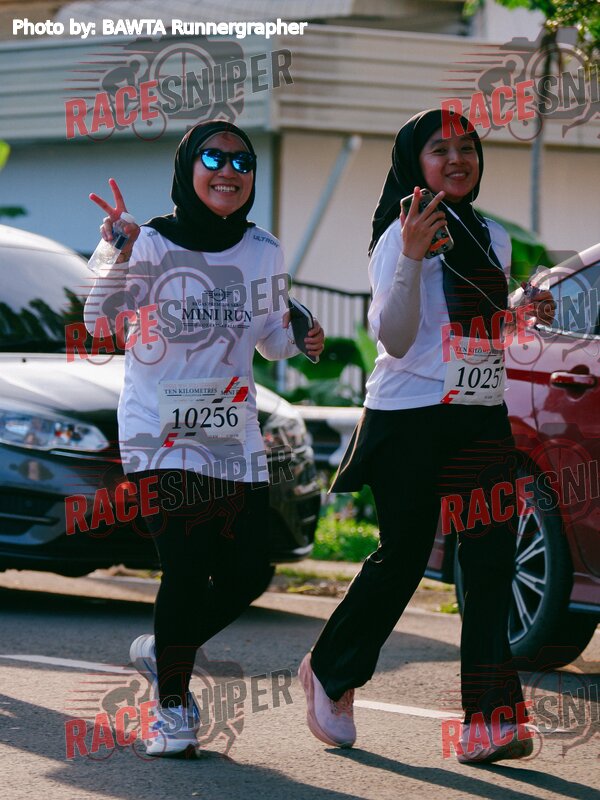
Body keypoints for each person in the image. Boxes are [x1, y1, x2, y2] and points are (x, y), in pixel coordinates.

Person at [298, 108, 555, 764]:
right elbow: (395, 336)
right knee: (406, 555)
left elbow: (476, 330)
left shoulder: (491, 235)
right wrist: (412, 256)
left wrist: (519, 313)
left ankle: (490, 719)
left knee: (491, 559)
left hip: (478, 411)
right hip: (409, 414)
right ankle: (330, 669)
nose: (458, 159)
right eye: (440, 150)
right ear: (415, 162)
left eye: (467, 147)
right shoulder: (398, 234)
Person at [84, 120, 324, 757]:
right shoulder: (149, 241)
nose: (228, 171)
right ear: (188, 166)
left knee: (248, 572)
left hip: (230, 434)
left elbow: (270, 339)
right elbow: (98, 319)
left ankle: (165, 648)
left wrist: (300, 332)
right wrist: (117, 251)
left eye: (242, 162)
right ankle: (171, 709)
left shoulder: (264, 249)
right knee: (187, 568)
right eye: (213, 158)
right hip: (158, 432)